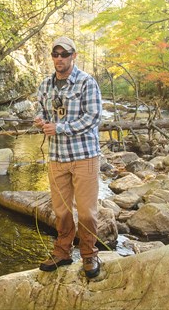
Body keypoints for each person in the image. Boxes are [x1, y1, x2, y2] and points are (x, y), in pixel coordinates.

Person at [34, 36, 102, 279]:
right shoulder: (45, 85)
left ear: (74, 56)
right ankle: (63, 252)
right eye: (56, 54)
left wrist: (60, 128)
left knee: (86, 213)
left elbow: (92, 117)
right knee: (61, 212)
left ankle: (89, 254)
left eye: (65, 54)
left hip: (85, 156)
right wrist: (40, 120)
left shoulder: (87, 82)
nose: (59, 58)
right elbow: (40, 109)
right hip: (57, 157)